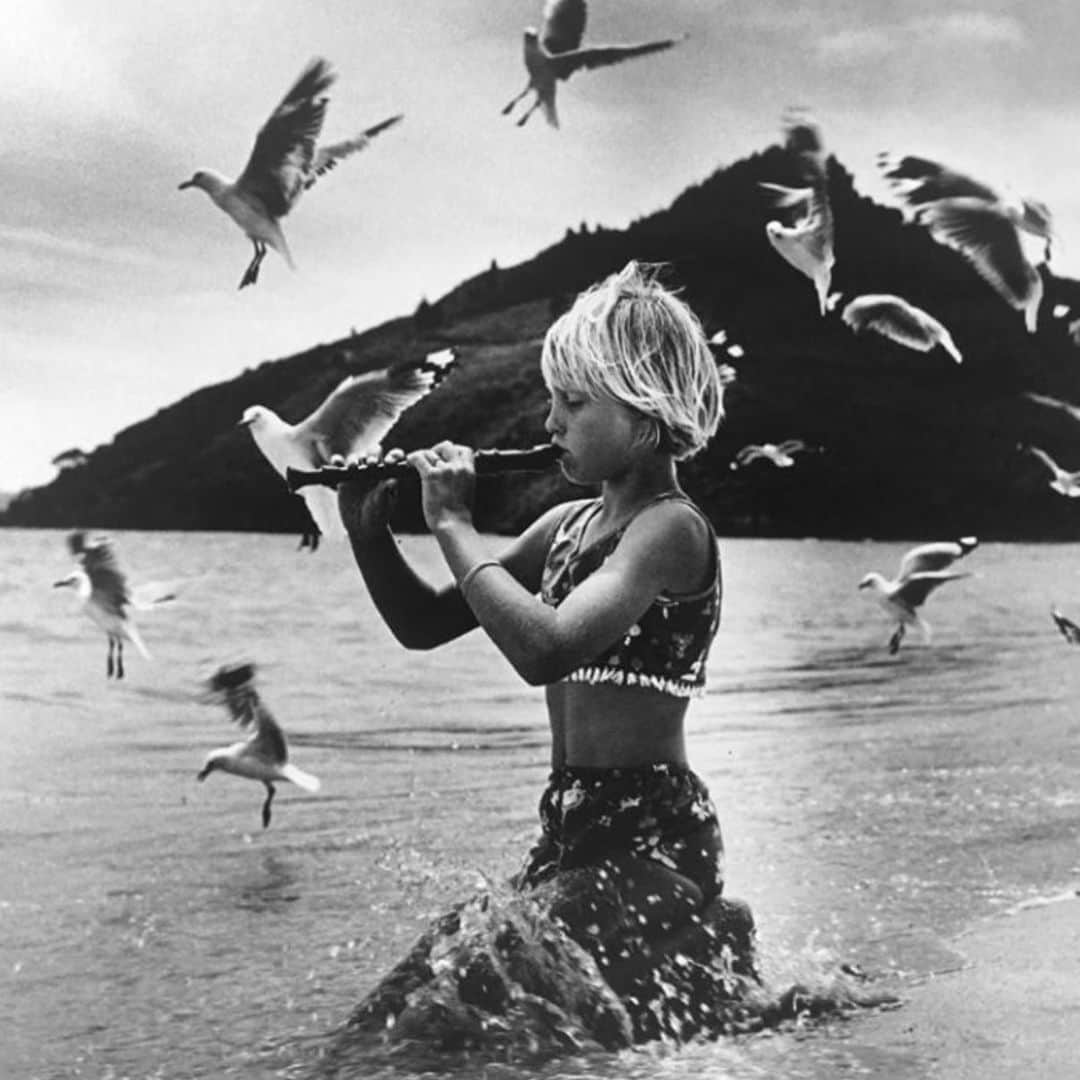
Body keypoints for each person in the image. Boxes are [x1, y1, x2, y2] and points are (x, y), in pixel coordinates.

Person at [337, 261, 756, 1044]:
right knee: (389, 1017)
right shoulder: (564, 526)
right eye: (551, 401)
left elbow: (547, 650)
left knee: (441, 1017)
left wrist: (455, 525)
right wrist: (366, 529)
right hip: (568, 839)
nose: (550, 423)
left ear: (644, 411)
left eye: (572, 403)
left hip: (652, 841)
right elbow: (424, 624)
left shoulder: (670, 529)